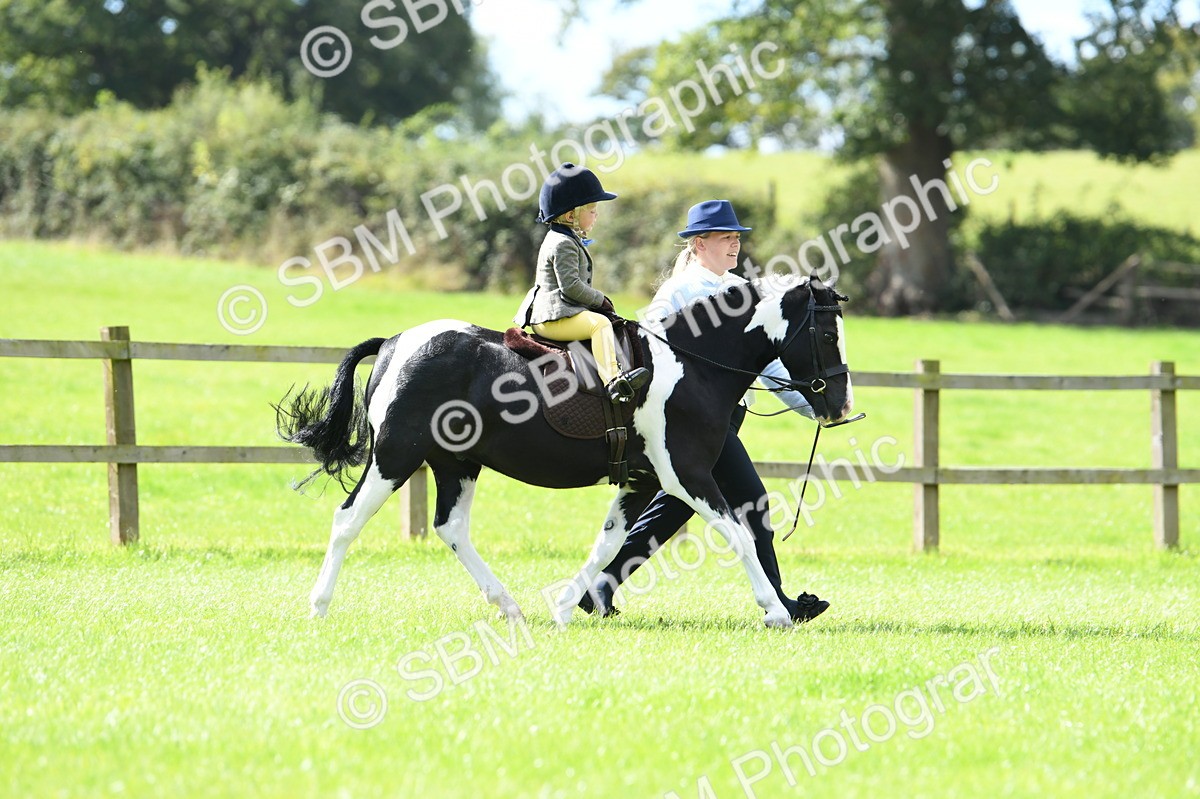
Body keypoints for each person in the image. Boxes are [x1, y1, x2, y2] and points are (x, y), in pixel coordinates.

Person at [578, 199, 830, 622]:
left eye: (736, 238)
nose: (734, 244)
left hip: (726, 417)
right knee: (752, 501)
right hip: (688, 420)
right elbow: (647, 348)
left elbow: (768, 364)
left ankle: (601, 585)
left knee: (673, 506)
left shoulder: (742, 290)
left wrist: (813, 408)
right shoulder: (678, 292)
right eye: (725, 238)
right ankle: (778, 602)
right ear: (699, 244)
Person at [514, 163, 649, 403]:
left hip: (560, 312)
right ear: (571, 216)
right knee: (599, 324)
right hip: (552, 318)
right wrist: (600, 300)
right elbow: (571, 287)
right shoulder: (563, 244)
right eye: (592, 210)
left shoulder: (564, 238)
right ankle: (613, 381)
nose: (597, 215)